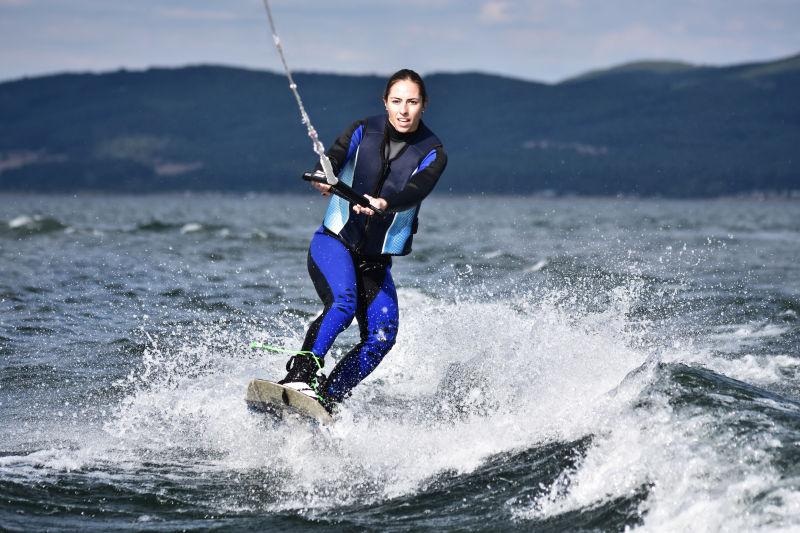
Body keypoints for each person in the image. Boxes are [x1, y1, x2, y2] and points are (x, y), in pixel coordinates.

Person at [279, 68, 447, 411]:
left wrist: (386, 203)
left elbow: (418, 188)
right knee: (342, 303)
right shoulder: (363, 129)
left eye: (412, 102)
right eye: (397, 101)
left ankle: (328, 397)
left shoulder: (433, 152)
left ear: (423, 105)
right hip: (334, 243)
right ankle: (300, 374)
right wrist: (324, 179)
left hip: (374, 261)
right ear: (385, 103)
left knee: (383, 336)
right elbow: (334, 156)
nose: (403, 110)